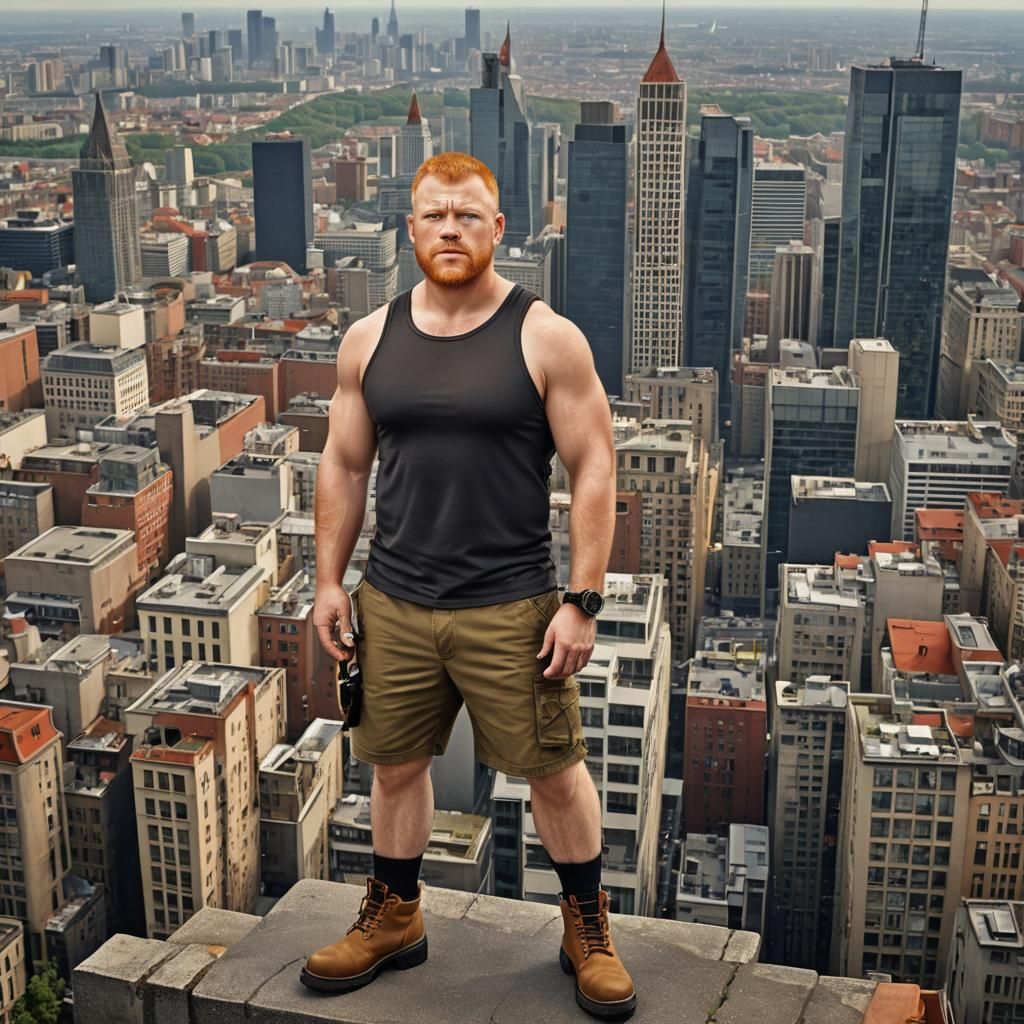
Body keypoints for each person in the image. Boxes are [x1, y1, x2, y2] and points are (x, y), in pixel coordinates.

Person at [301, 151, 635, 1019]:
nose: (450, 229)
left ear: (498, 228)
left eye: (468, 216)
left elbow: (594, 466)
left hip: (513, 605)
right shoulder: (368, 338)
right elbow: (344, 463)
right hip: (394, 600)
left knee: (555, 773)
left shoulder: (546, 336)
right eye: (434, 215)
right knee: (394, 770)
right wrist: (329, 581)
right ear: (409, 227)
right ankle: (395, 915)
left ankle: (587, 929)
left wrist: (582, 600)